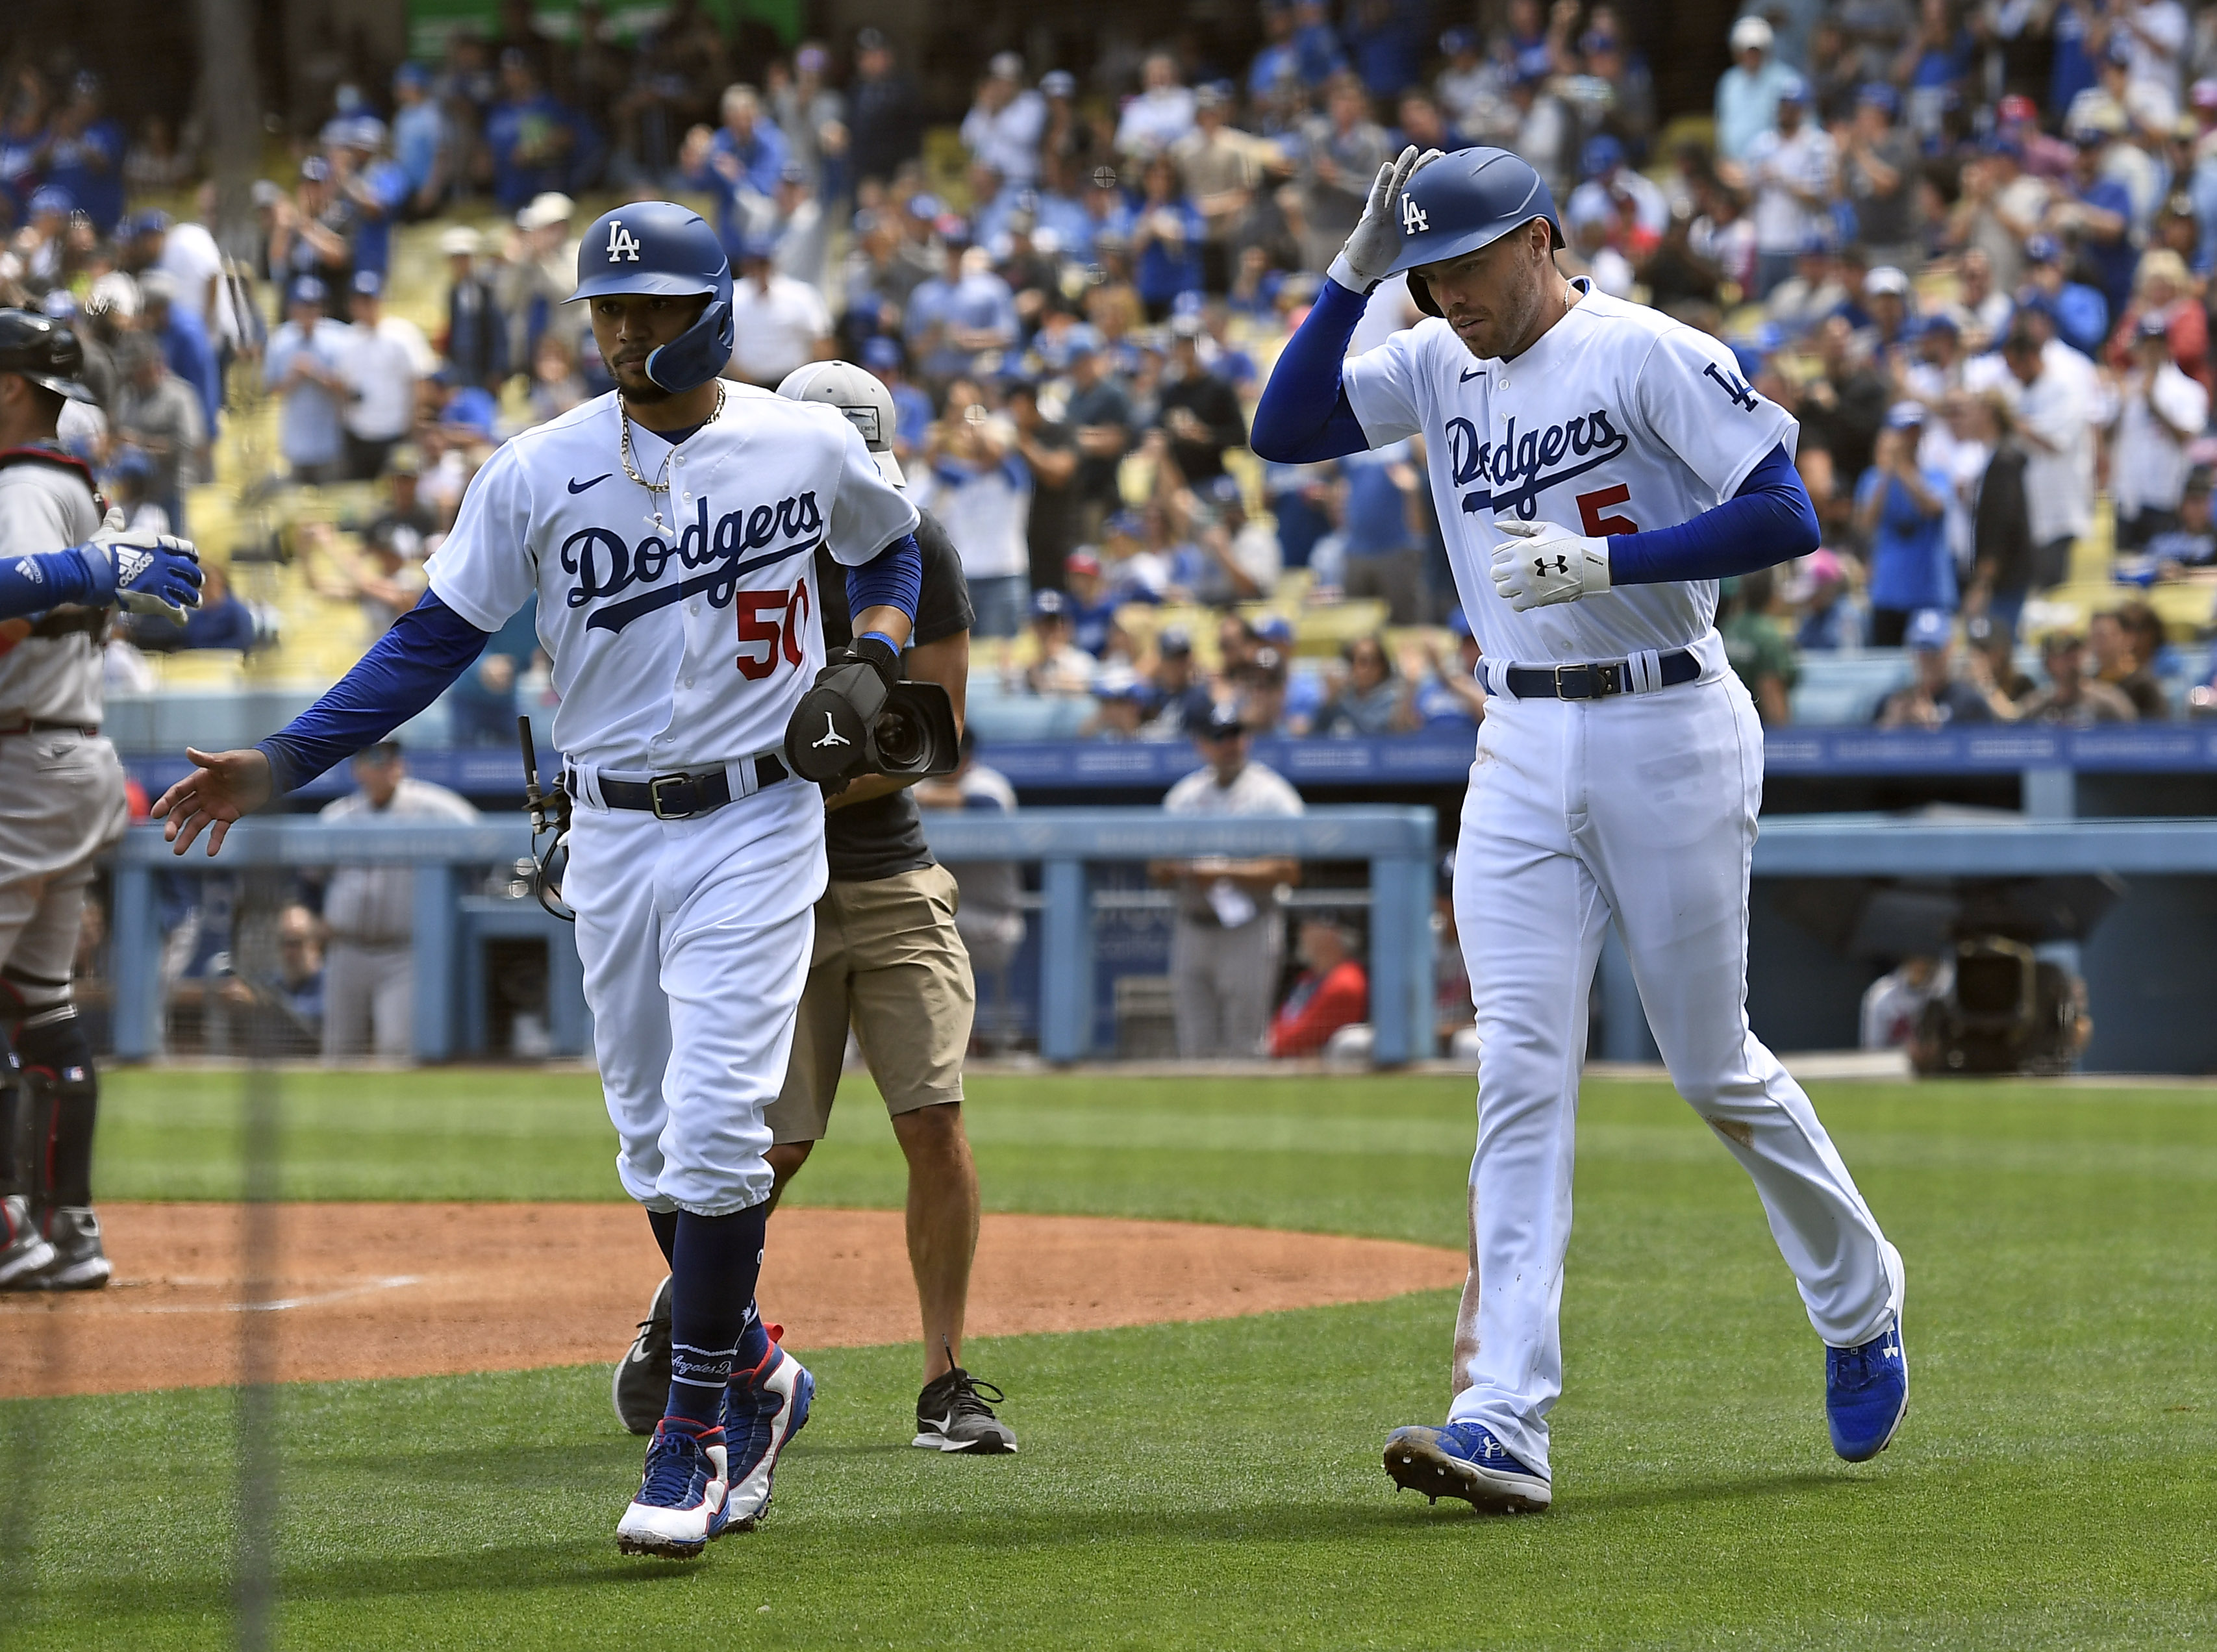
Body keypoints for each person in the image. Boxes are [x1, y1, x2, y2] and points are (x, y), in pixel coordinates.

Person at [149, 201, 924, 1560]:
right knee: (645, 1142)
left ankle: (691, 1438)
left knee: (715, 1127)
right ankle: (761, 1378)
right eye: (608, 312)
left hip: (758, 817)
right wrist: (286, 760)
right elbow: (428, 640)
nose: (627, 333)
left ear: (717, 311)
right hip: (613, 831)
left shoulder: (800, 439)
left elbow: (888, 542)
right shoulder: (537, 469)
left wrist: (877, 648)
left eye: (653, 309)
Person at [1251, 146, 1906, 1513]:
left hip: (1670, 718)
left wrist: (1616, 561)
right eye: (1427, 276)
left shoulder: (1646, 350)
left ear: (1544, 240)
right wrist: (1352, 274)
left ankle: (1861, 1305)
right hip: (1521, 735)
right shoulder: (1436, 360)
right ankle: (1503, 1416)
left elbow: (1792, 516)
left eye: (1469, 267)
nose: (1448, 299)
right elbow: (1285, 428)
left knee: (1711, 1064)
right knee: (1520, 1075)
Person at [615, 358, 1014, 1457]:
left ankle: (943, 1378)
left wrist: (800, 771)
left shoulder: (915, 545)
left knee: (933, 1119)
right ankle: (699, 1328)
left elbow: (934, 728)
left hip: (880, 868)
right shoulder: (723, 545)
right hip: (752, 875)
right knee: (767, 1149)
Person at [0, 310, 199, 1294]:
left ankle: (9, 1229)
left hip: (22, 763)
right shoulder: (65, 484)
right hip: (63, 758)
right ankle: (65, 1229)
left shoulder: (23, 484)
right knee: (42, 1006)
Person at [1151, 702, 1303, 1058]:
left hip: (1250, 926)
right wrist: (1184, 870)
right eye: (1219, 736)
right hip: (1193, 924)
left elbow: (1289, 869)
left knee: (1245, 1044)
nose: (1229, 743)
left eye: (1236, 734)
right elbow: (1156, 866)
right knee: (1194, 1046)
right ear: (1201, 743)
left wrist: (1223, 871)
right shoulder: (1184, 796)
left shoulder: (1271, 794)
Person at [311, 742, 478, 1061]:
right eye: (375, 757)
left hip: (403, 951)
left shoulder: (437, 807)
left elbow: (484, 843)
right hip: (346, 949)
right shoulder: (337, 816)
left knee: (397, 1049)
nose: (386, 765)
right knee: (337, 1052)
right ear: (356, 769)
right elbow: (311, 878)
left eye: (392, 757)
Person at [2109, 312, 2210, 552]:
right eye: (2146, 346)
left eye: (2157, 346)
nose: (2151, 353)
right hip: (2128, 498)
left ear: (2167, 348)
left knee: (2162, 569)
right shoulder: (2126, 386)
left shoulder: (2187, 390)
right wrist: (2121, 407)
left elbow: (2186, 437)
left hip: (2166, 498)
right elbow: (2107, 439)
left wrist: (2153, 403)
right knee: (2126, 571)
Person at [1855, 405, 1955, 647]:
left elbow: (1931, 508)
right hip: (1888, 593)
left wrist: (1903, 468)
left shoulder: (1936, 475)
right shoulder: (1873, 479)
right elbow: (1866, 524)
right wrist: (1888, 471)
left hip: (1928, 593)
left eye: (1914, 433)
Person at [263, 275, 351, 485]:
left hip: (330, 442)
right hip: (296, 443)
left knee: (329, 505)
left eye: (312, 307)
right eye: (302, 307)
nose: (307, 313)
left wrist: (315, 373)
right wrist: (293, 377)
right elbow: (272, 390)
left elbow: (348, 389)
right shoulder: (280, 340)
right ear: (292, 308)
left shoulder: (339, 338)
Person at [338, 271, 424, 482]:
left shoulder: (401, 335)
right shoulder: (348, 339)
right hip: (360, 432)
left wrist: (412, 424)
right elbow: (342, 383)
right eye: (360, 301)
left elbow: (417, 382)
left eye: (370, 300)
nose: (366, 307)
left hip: (394, 431)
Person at [725, 238, 833, 388]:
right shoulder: (732, 296)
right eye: (754, 264)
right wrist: (742, 378)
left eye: (764, 264)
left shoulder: (801, 295)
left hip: (790, 382)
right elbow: (722, 341)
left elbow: (820, 341)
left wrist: (810, 380)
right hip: (744, 383)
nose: (759, 270)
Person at [1874, 608, 2001, 727]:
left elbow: (1983, 746)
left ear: (1951, 648)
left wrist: (1934, 731)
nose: (1928, 659)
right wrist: (1893, 724)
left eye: (1935, 651)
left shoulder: (1969, 705)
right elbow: (1868, 745)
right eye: (1922, 650)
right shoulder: (1892, 702)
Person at [1268, 917, 1370, 1057]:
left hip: (1323, 1066)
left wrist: (1264, 1044)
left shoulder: (1346, 982)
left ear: (1332, 934)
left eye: (1311, 927)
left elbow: (1303, 1038)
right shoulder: (1307, 978)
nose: (1302, 933)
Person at [2018, 630, 2136, 723]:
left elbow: (2133, 740)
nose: (2071, 661)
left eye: (2075, 652)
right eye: (2063, 656)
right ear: (2048, 662)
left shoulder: (2109, 703)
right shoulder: (2035, 706)